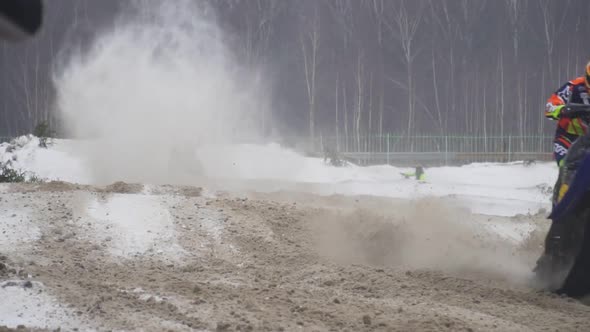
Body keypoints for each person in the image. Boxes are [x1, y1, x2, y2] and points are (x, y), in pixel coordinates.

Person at [545, 61, 590, 205]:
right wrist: (562, 109)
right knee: (566, 167)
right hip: (568, 137)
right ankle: (560, 206)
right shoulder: (573, 87)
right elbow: (550, 106)